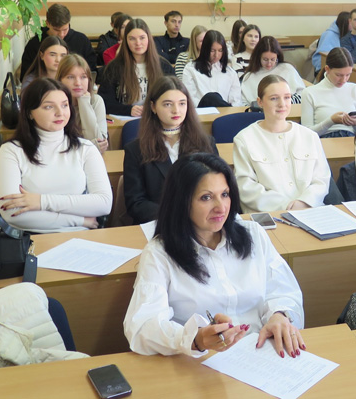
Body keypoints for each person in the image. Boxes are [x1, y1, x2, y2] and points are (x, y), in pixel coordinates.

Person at [123, 152, 304, 358]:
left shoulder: (254, 234)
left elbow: (284, 291)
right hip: (203, 361)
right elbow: (142, 327)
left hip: (263, 350)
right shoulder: (159, 253)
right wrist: (195, 338)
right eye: (206, 197)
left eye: (225, 194)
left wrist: (279, 316)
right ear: (182, 202)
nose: (220, 207)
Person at [0, 78, 112, 233]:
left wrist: (40, 201)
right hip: (31, 240)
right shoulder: (11, 151)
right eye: (49, 107)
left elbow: (104, 203)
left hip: (81, 239)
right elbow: (12, 214)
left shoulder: (86, 148)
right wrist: (79, 220)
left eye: (64, 105)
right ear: (30, 113)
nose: (60, 113)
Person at [123, 76, 217, 224]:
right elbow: (136, 203)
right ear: (153, 107)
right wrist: (175, 217)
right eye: (168, 104)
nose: (176, 110)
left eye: (182, 103)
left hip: (202, 223)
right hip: (159, 225)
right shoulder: (135, 150)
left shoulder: (206, 144)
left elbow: (218, 189)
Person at [233, 75, 331, 213]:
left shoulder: (309, 136)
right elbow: (245, 186)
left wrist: (304, 202)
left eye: (287, 97)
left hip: (310, 210)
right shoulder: (245, 139)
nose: (282, 104)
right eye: (274, 98)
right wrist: (286, 206)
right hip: (270, 214)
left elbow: (321, 179)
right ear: (260, 102)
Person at [99, 18, 175, 117]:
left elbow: (175, 96)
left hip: (157, 119)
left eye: (142, 38)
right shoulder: (114, 67)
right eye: (132, 38)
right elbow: (104, 102)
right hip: (126, 120)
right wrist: (128, 110)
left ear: (149, 39)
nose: (138, 43)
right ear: (126, 41)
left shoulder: (164, 66)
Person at [302, 47, 356, 138]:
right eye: (339, 75)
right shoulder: (309, 93)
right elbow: (306, 133)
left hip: (350, 139)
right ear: (327, 69)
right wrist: (331, 121)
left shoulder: (355, 89)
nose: (344, 80)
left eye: (348, 75)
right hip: (324, 140)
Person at [20, 4, 96, 78]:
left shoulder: (81, 40)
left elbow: (91, 71)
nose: (61, 34)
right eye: (56, 30)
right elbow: (26, 75)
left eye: (65, 29)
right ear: (47, 24)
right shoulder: (35, 44)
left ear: (69, 23)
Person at [57, 54, 109, 154]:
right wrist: (90, 145)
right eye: (71, 77)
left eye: (83, 77)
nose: (78, 83)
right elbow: (58, 146)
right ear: (60, 80)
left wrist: (84, 102)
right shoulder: (55, 104)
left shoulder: (96, 101)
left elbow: (99, 142)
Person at [181, 30, 244, 107]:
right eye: (212, 50)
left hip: (225, 114)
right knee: (211, 98)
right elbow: (190, 98)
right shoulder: (190, 69)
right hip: (201, 113)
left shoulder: (230, 72)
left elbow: (236, 101)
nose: (216, 55)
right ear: (205, 49)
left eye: (220, 50)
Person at [241, 36, 306, 104]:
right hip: (259, 113)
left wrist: (283, 102)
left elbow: (303, 95)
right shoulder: (250, 76)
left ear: (277, 56)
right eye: (265, 59)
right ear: (258, 57)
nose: (269, 63)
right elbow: (244, 103)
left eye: (273, 59)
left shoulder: (287, 69)